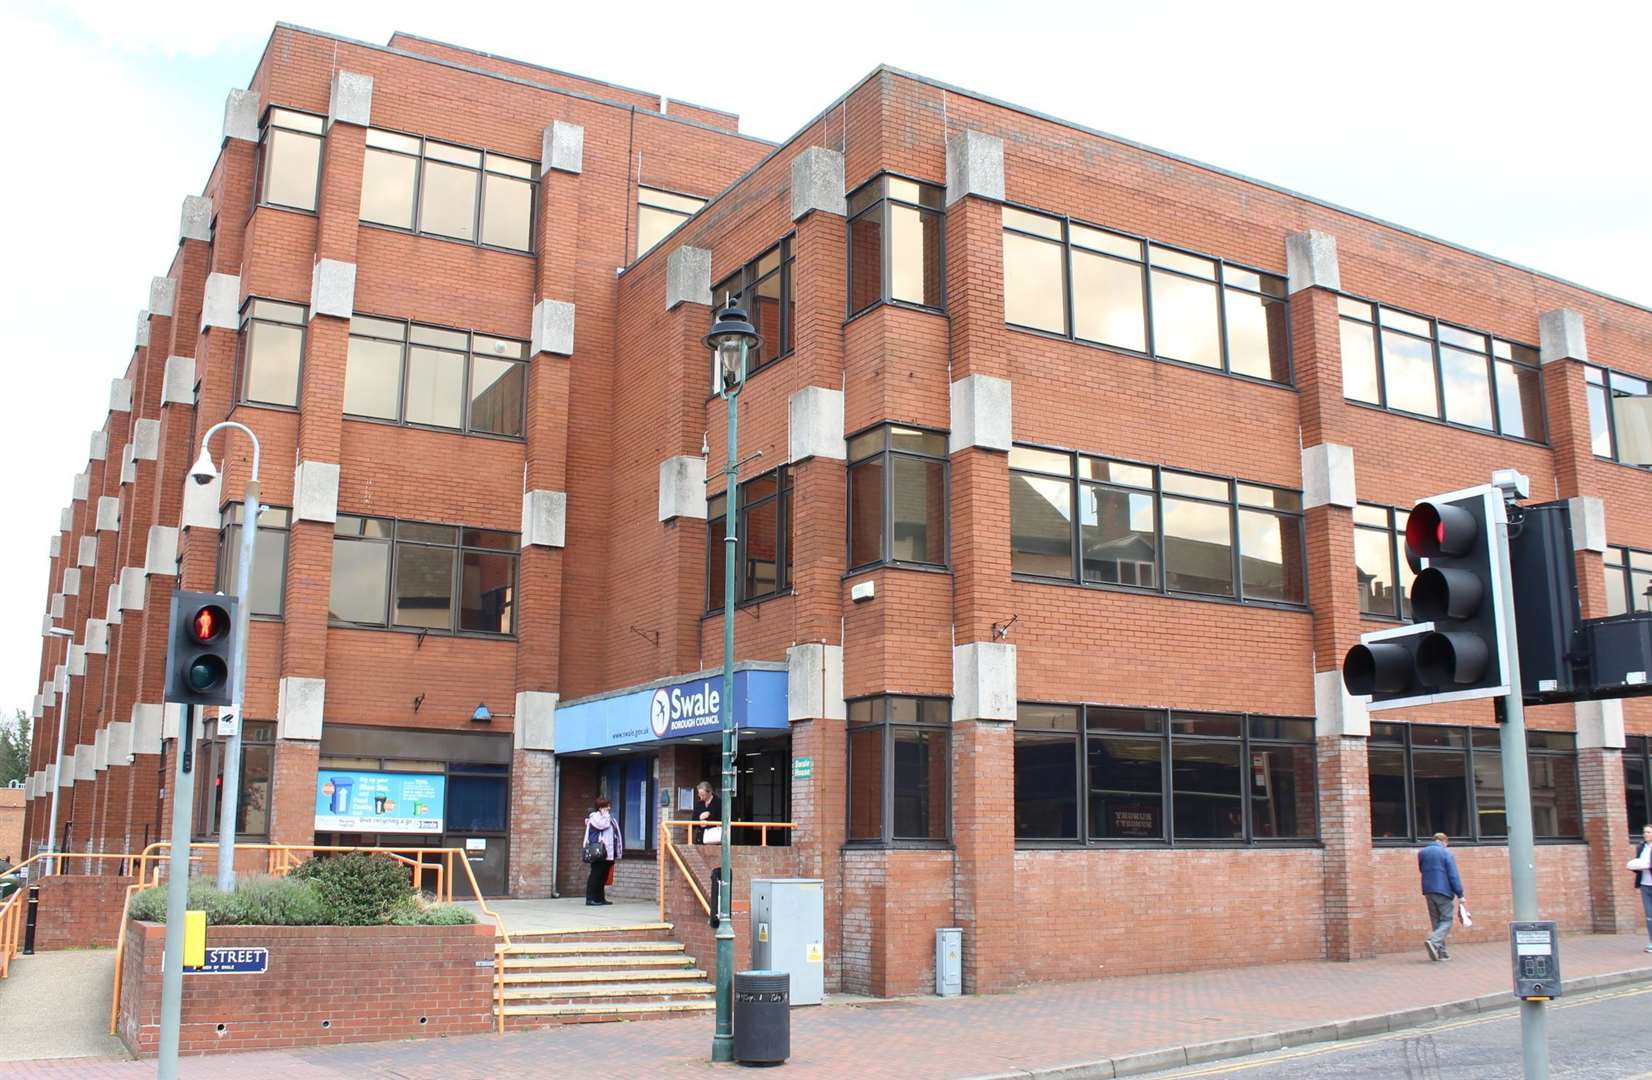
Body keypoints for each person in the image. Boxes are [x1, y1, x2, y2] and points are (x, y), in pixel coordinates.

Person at [1418, 832, 1464, 961]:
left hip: (1428, 890)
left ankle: (1441, 952)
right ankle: (1433, 941)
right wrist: (1460, 894)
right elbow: (1453, 875)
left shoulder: (1423, 853)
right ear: (1444, 841)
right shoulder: (1446, 853)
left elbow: (1422, 870)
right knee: (1447, 920)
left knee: (1436, 922)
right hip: (1443, 891)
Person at [584, 798, 622, 906]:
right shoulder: (596, 818)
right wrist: (605, 815)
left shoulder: (609, 818)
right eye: (606, 806)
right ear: (600, 808)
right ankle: (590, 898)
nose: (609, 808)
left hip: (609, 852)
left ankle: (600, 898)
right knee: (596, 875)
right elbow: (602, 825)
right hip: (598, 852)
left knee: (603, 876)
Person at [1629, 824, 1652, 954]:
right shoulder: (1642, 847)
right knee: (1649, 915)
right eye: (1645, 832)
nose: (1645, 834)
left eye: (1648, 832)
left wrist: (1648, 866)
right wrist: (1635, 866)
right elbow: (1638, 863)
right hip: (1645, 885)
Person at [694, 781, 722, 845]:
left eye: (703, 795)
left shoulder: (719, 803)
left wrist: (709, 816)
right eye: (699, 794)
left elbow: (722, 820)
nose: (700, 797)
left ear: (709, 792)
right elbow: (693, 823)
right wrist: (699, 820)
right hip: (701, 839)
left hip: (714, 838)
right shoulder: (698, 804)